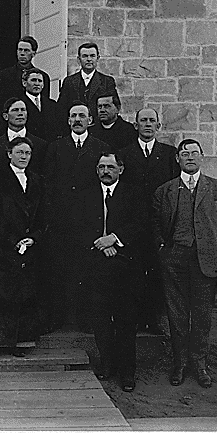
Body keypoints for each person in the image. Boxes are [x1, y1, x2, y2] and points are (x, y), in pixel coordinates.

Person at [152, 139, 217, 388]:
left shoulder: (216, 188)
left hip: (206, 259)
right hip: (174, 259)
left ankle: (199, 364)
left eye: (194, 153)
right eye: (184, 153)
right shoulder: (164, 190)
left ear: (202, 157)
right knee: (176, 315)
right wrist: (162, 250)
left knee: (202, 316)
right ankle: (179, 364)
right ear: (177, 158)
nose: (189, 157)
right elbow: (155, 225)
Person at [72, 151, 146, 393]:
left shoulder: (133, 194)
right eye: (101, 166)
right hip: (95, 266)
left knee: (125, 320)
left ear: (120, 170)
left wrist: (114, 239)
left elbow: (140, 223)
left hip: (126, 266)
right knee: (100, 319)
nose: (105, 171)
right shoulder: (85, 195)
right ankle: (107, 364)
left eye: (110, 167)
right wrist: (101, 244)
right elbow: (77, 224)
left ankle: (127, 372)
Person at [0, 137, 47, 358]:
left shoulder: (37, 181)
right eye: (20, 152)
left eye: (27, 153)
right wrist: (10, 240)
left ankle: (20, 342)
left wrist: (33, 237)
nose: (24, 157)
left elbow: (43, 214)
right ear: (9, 154)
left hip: (28, 246)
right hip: (0, 246)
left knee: (23, 294)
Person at [41, 102, 108, 333]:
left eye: (82, 115)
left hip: (89, 219)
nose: (77, 119)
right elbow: (47, 184)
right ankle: (57, 317)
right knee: (58, 269)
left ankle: (85, 319)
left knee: (87, 270)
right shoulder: (56, 147)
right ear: (68, 120)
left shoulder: (100, 147)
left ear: (90, 120)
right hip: (61, 220)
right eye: (73, 116)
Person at [120, 108, 180, 335]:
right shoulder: (124, 153)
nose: (147, 124)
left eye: (151, 121)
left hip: (160, 223)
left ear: (159, 126)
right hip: (133, 221)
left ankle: (152, 318)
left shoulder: (168, 154)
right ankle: (133, 318)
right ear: (135, 125)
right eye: (142, 120)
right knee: (133, 271)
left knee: (157, 271)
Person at [0, 98, 48, 195]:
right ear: (5, 116)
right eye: (15, 110)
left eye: (23, 110)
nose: (20, 113)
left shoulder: (41, 145)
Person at [58, 42, 119, 124]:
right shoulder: (69, 82)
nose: (89, 59)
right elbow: (61, 108)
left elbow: (114, 107)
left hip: (99, 128)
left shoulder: (107, 81)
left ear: (98, 58)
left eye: (92, 56)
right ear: (79, 59)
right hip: (76, 127)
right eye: (85, 56)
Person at [0, 35, 51, 106]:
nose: (22, 53)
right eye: (20, 50)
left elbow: (44, 103)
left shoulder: (42, 77)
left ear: (33, 54)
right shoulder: (4, 75)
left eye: (26, 50)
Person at [19, 67, 62, 143]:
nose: (37, 84)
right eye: (33, 80)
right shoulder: (19, 104)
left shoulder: (52, 104)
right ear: (24, 83)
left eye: (40, 81)